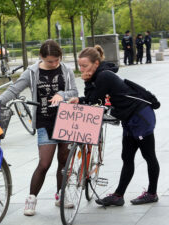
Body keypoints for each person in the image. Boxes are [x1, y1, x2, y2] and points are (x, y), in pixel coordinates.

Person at [69, 45, 160, 207]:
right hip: (129, 118)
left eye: (85, 66)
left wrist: (87, 84)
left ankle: (152, 193)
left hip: (140, 117)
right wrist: (80, 99)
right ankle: (118, 196)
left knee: (149, 156)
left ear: (96, 63)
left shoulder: (103, 76)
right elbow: (93, 98)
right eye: (80, 66)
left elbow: (94, 100)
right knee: (127, 157)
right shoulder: (98, 75)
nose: (81, 69)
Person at [0, 40, 78, 216]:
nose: (54, 64)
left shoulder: (66, 70)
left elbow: (74, 92)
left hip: (66, 120)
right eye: (50, 61)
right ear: (41, 57)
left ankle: (61, 196)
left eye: (57, 60)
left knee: (64, 162)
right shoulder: (32, 72)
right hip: (44, 121)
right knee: (44, 163)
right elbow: (14, 90)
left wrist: (61, 94)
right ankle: (31, 198)